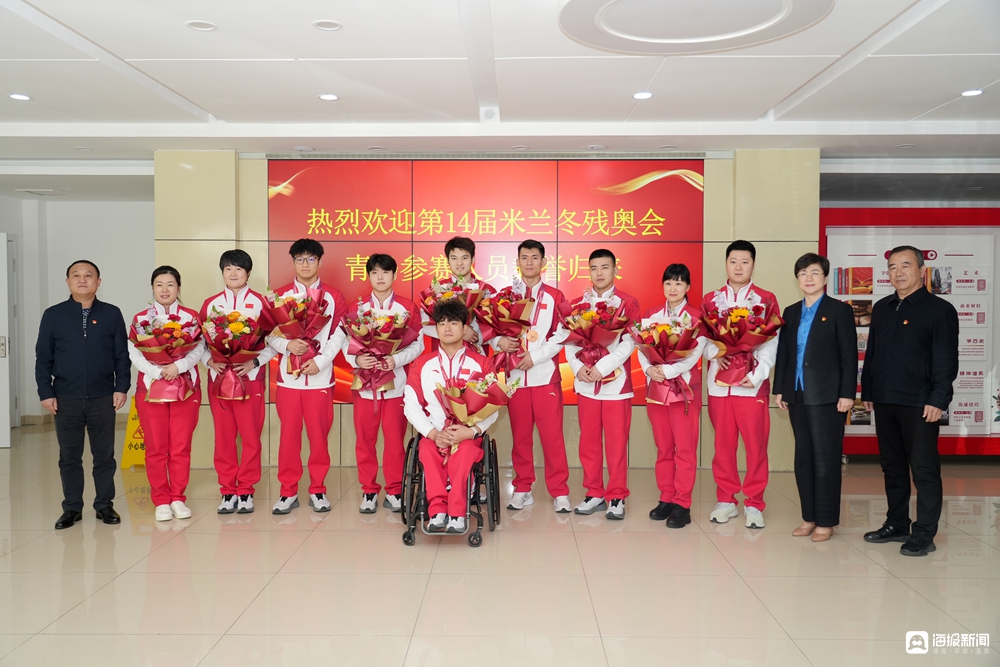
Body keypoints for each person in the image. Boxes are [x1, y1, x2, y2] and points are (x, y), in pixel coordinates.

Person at [861, 245, 959, 557]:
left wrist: (938, 399)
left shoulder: (939, 310)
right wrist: (868, 391)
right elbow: (873, 353)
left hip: (921, 403)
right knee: (892, 467)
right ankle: (897, 523)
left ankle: (924, 533)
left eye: (905, 265)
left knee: (924, 469)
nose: (898, 272)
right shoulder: (882, 307)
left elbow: (945, 360)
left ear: (921, 270)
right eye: (892, 267)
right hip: (885, 399)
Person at [35, 260, 130, 529]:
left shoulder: (111, 313)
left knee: (104, 455)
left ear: (98, 282)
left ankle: (104, 504)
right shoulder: (53, 315)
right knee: (69, 456)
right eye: (76, 275)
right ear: (68, 282)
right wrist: (46, 392)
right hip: (65, 397)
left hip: (103, 396)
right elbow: (43, 358)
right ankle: (72, 507)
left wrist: (121, 387)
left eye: (89, 275)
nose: (82, 280)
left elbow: (122, 355)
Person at [773, 253, 856, 542]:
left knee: (825, 460)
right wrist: (780, 389)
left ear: (825, 278)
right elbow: (784, 354)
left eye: (814, 273)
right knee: (803, 460)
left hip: (828, 397)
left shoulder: (839, 310)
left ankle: (826, 521)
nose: (808, 278)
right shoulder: (791, 311)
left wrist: (847, 394)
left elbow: (849, 356)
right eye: (803, 274)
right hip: (797, 394)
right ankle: (809, 518)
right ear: (797, 279)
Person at [403, 299, 499, 534]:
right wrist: (433, 434)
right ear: (436, 328)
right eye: (442, 323)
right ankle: (437, 511)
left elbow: (494, 405)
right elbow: (411, 406)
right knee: (427, 450)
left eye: (454, 322)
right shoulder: (421, 364)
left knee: (464, 451)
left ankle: (457, 512)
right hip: (434, 433)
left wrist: (471, 431)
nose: (447, 328)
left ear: (465, 328)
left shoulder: (482, 363)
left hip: (467, 435)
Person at [703, 240, 780, 529]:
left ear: (753, 265)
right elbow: (701, 340)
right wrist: (716, 353)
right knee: (723, 445)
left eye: (744, 262)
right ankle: (726, 499)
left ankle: (754, 503)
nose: (738, 267)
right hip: (719, 385)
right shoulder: (710, 300)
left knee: (755, 446)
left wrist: (758, 375)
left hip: (751, 385)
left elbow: (771, 341)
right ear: (726, 263)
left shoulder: (765, 299)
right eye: (733, 261)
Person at [268, 238, 347, 515]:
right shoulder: (279, 296)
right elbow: (269, 334)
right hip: (288, 381)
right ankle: (287, 492)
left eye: (310, 259)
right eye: (300, 259)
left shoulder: (334, 296)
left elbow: (339, 334)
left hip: (320, 380)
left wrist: (321, 363)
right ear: (293, 262)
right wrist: (287, 345)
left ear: (319, 261)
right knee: (288, 438)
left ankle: (318, 490)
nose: (305, 264)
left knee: (319, 438)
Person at [495, 240, 572, 513]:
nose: (529, 262)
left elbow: (563, 333)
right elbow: (490, 330)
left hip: (544, 376)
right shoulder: (505, 296)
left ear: (543, 262)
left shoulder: (555, 296)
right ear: (517, 262)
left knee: (552, 437)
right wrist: (499, 342)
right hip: (515, 378)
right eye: (524, 257)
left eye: (534, 257)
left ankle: (560, 491)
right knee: (521, 437)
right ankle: (523, 488)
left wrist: (535, 357)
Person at [343, 254, 424, 514]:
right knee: (365, 441)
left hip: (395, 385)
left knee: (394, 441)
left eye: (385, 272)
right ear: (368, 276)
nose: (380, 277)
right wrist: (357, 358)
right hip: (364, 385)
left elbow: (418, 344)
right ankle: (368, 490)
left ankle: (394, 490)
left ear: (394, 275)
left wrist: (395, 360)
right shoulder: (357, 308)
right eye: (375, 272)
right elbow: (345, 341)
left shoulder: (407, 307)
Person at [200, 249, 276, 514]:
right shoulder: (210, 304)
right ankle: (227, 490)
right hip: (219, 380)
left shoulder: (260, 303)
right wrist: (209, 362)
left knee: (251, 437)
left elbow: (275, 341)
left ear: (248, 273)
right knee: (223, 437)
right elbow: (198, 343)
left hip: (249, 379)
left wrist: (255, 362)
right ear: (222, 272)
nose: (233, 274)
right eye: (228, 269)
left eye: (239, 269)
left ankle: (246, 490)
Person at [128, 266, 206, 522]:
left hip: (186, 389)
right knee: (156, 447)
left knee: (181, 447)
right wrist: (157, 371)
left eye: (170, 284)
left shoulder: (190, 317)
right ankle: (161, 500)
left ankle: (177, 498)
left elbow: (199, 349)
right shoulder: (141, 319)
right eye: (159, 284)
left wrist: (177, 367)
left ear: (178, 288)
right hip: (151, 388)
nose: (164, 289)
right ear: (152, 288)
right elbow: (134, 351)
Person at [567, 249, 640, 520]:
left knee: (616, 443)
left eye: (605, 267)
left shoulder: (627, 303)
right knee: (588, 441)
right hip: (586, 382)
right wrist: (579, 369)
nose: (599, 273)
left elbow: (630, 341)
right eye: (594, 268)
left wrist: (601, 368)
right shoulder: (578, 304)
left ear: (615, 270)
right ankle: (594, 492)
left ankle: (617, 495)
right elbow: (570, 341)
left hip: (615, 384)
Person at [639, 264, 706, 529]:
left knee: (685, 449)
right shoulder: (652, 315)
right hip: (657, 389)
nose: (673, 288)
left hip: (684, 390)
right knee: (664, 447)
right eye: (668, 283)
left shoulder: (696, 317)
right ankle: (666, 497)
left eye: (679, 283)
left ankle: (682, 504)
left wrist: (665, 371)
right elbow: (640, 347)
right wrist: (649, 369)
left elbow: (694, 354)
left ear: (688, 287)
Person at [421, 236, 495, 350]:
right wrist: (460, 332)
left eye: (464, 258)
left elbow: (494, 326)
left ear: (473, 259)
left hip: (477, 352)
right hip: (443, 353)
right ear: (448, 261)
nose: (459, 263)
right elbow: (424, 323)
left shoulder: (487, 290)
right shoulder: (437, 289)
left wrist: (477, 336)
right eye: (454, 258)